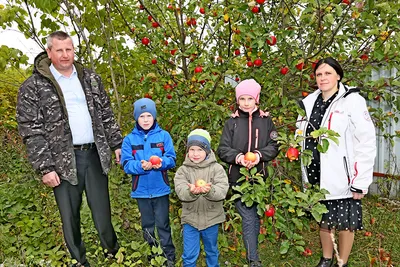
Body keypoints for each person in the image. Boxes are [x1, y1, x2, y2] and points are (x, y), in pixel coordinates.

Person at [16, 31, 121, 266]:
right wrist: (45, 167)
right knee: (69, 215)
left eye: (69, 49)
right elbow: (31, 129)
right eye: (60, 50)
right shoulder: (33, 86)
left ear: (74, 50)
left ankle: (114, 255)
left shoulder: (90, 78)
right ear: (49, 52)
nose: (65, 55)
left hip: (94, 154)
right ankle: (78, 260)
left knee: (102, 212)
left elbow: (105, 113)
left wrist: (116, 143)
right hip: (61, 160)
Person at [296, 57, 376, 267]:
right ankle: (326, 258)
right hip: (315, 171)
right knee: (323, 219)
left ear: (338, 75)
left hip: (341, 174)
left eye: (328, 73)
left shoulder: (352, 101)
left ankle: (342, 262)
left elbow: (366, 141)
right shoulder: (310, 102)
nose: (323, 78)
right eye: (319, 74)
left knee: (344, 222)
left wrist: (361, 180)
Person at [217, 79, 279, 267]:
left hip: (260, 177)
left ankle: (253, 251)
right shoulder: (232, 123)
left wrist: (258, 156)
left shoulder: (266, 121)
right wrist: (239, 158)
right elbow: (223, 149)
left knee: (255, 215)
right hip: (238, 177)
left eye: (249, 98)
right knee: (249, 216)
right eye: (242, 99)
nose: (245, 103)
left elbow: (275, 145)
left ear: (256, 99)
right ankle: (254, 259)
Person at [120, 98, 176, 266]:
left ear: (154, 117)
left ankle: (169, 257)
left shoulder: (163, 136)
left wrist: (161, 163)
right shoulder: (129, 140)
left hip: (161, 189)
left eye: (148, 116)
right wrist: (140, 166)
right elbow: (126, 164)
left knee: (163, 224)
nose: (145, 120)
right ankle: (153, 256)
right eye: (142, 116)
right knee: (148, 225)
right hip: (141, 191)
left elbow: (171, 159)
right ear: (136, 118)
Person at [174, 129, 229, 267]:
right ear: (187, 151)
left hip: (211, 219)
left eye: (199, 149)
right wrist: (191, 192)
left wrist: (210, 191)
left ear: (208, 150)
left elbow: (222, 191)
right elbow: (181, 192)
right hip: (190, 220)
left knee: (211, 251)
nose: (195, 153)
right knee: (189, 255)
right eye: (192, 149)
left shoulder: (217, 169)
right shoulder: (183, 170)